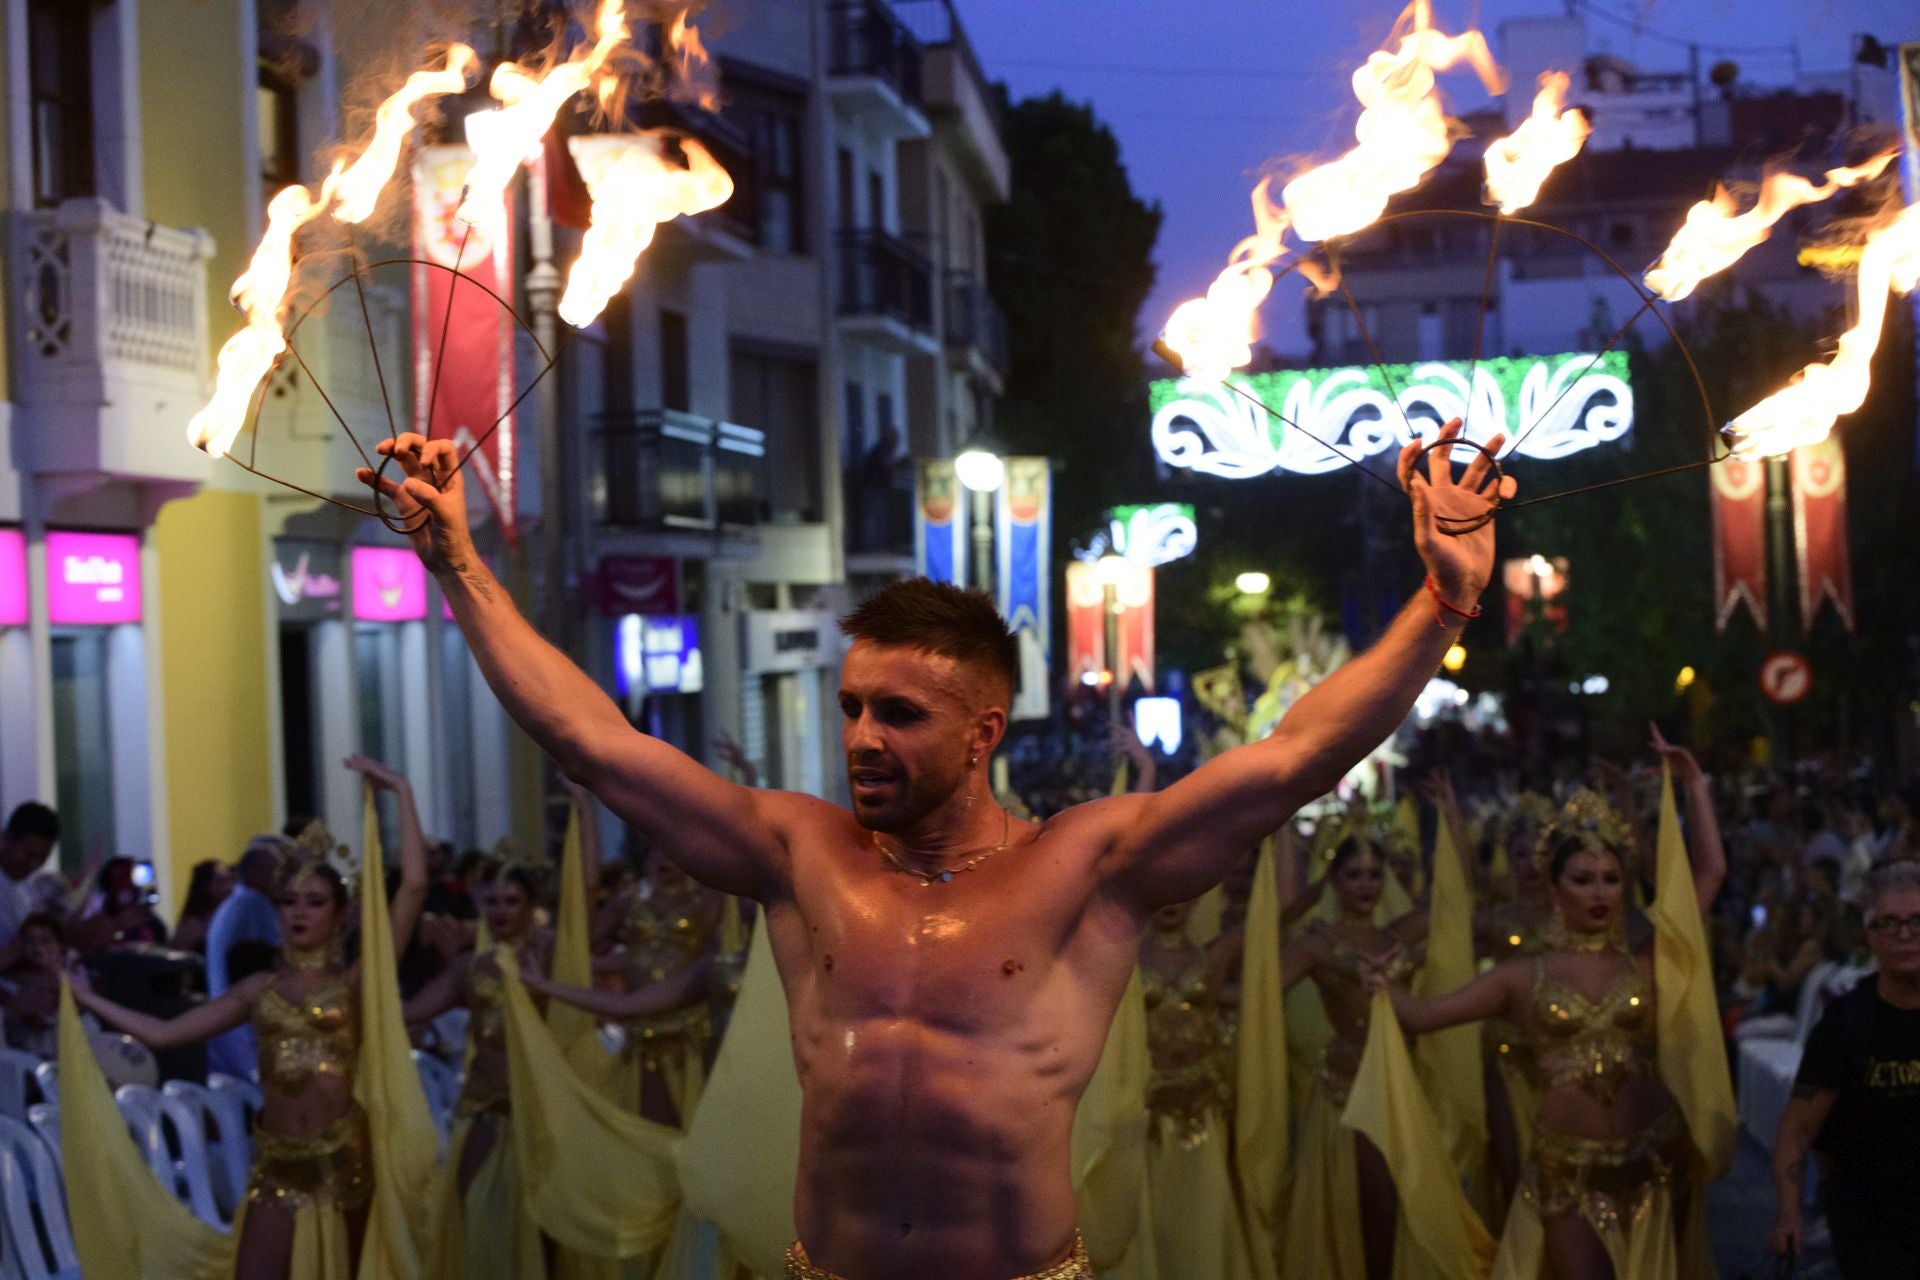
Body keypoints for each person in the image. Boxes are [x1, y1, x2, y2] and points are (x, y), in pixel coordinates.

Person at [360, 418, 1512, 1279]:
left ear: (982, 734)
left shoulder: (1083, 867)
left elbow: (1293, 755)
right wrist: (457, 561)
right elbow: (590, 738)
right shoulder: (796, 849)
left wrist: (1442, 605)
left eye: (899, 714)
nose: (861, 735)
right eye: (854, 703)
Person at [1367, 731, 1726, 1280]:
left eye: (1610, 879)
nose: (1600, 893)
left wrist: (1695, 786)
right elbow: (1423, 1018)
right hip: (1565, 1171)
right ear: (1554, 888)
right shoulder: (1519, 978)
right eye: (1582, 880)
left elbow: (1709, 876)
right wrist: (1383, 985)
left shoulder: (1644, 959)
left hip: (1653, 1158)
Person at [70, 755, 429, 1280]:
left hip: (347, 1161)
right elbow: (164, 1034)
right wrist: (84, 995)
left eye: (315, 901)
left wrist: (400, 791)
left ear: (341, 913)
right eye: (289, 901)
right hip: (277, 1164)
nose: (299, 912)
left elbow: (414, 886)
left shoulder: (356, 982)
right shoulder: (257, 990)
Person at [1279, 831, 1429, 1280]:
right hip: (1347, 1089)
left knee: (1399, 1205)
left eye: (1374, 875)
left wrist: (1451, 825)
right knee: (1360, 1205)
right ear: (1334, 881)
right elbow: (1258, 993)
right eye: (1353, 875)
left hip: (1398, 1082)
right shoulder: (1316, 945)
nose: (1365, 885)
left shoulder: (1397, 934)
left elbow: (1459, 907)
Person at [1769, 861, 1920, 1279]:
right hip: (1871, 1220)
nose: (1904, 935)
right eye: (1889, 923)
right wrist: (1788, 1215)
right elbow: (1798, 1129)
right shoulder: (1846, 1024)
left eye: (1916, 922)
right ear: (1869, 936)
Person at [406, 860, 553, 1279]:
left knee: (542, 1224)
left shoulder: (552, 954)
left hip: (537, 1112)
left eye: (512, 901)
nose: (501, 911)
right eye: (492, 901)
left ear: (531, 906)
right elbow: (413, 1011)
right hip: (482, 1106)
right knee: (471, 1209)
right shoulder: (470, 967)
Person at [206, 834, 290, 1077]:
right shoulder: (253, 904)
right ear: (256, 871)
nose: (282, 878)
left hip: (224, 1023)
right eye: (276, 870)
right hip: (243, 1023)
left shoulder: (234, 904)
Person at [0, 802, 62, 960]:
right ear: (5, 839)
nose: (34, 864)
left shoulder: (29, 886)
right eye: (29, 854)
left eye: (42, 858)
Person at [0, 912, 65, 1058]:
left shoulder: (77, 981)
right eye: (30, 941)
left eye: (46, 940)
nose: (37, 947)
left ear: (60, 944)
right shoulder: (8, 984)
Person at [174, 859, 236, 956]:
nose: (230, 887)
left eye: (230, 880)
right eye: (221, 881)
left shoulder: (229, 918)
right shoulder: (193, 924)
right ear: (205, 886)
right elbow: (178, 960)